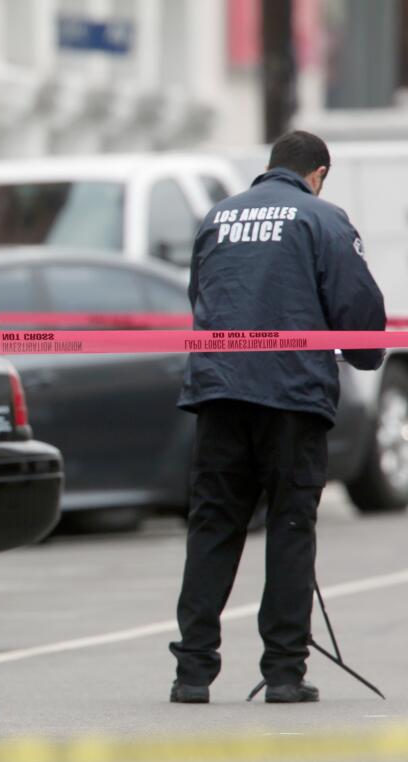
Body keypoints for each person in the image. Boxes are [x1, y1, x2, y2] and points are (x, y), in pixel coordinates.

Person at [169, 130, 386, 704]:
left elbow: (201, 296)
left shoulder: (217, 217)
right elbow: (358, 307)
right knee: (290, 528)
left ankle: (192, 672)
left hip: (218, 393)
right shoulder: (323, 218)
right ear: (318, 173)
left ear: (270, 168)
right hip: (291, 395)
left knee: (213, 526)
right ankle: (285, 672)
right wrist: (366, 355)